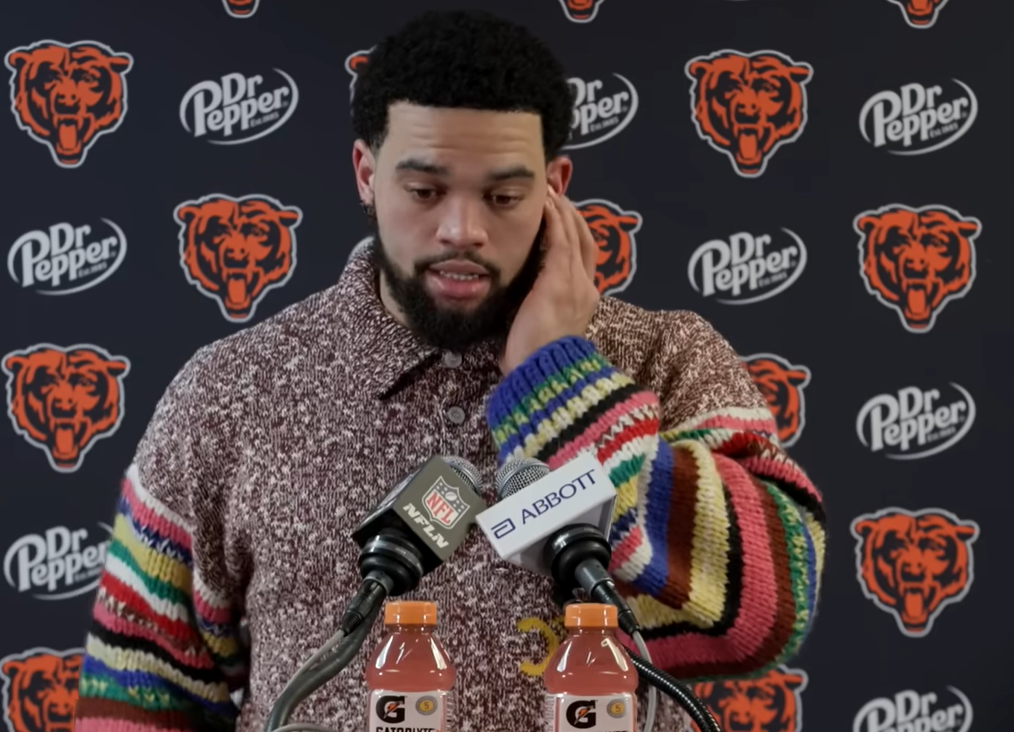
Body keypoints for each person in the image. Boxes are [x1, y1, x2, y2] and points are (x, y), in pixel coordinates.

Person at [73, 9, 826, 732]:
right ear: (365, 173)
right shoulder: (229, 392)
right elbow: (138, 697)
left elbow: (773, 612)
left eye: (503, 195)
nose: (461, 229)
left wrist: (558, 384)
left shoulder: (666, 358)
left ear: (555, 188)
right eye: (425, 190)